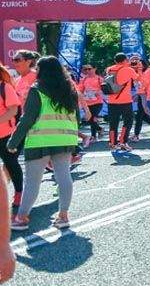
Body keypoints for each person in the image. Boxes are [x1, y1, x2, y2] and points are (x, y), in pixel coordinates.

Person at [8, 56, 81, 231]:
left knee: (33, 181)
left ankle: (22, 217)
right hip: (65, 139)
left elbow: (28, 118)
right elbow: (77, 117)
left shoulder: (37, 90)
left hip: (40, 140)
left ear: (42, 71)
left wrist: (13, 141)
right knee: (64, 176)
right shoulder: (70, 89)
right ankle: (63, 216)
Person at [103, 53, 140, 152]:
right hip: (125, 100)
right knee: (128, 121)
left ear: (115, 60)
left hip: (111, 101)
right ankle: (123, 142)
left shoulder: (109, 69)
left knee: (113, 123)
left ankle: (112, 143)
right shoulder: (128, 69)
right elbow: (138, 78)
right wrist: (139, 68)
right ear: (125, 60)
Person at [0, 66, 24, 210]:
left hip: (9, 134)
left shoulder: (5, 87)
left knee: (10, 164)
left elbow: (13, 110)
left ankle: (19, 193)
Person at [77, 65, 104, 142]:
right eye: (85, 69)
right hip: (87, 103)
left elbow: (104, 89)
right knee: (89, 119)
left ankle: (93, 136)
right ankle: (99, 129)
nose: (87, 71)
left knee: (93, 118)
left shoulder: (99, 79)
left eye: (89, 69)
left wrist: (98, 92)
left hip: (97, 102)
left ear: (95, 69)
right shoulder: (84, 79)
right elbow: (80, 90)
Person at [130, 56, 150, 143]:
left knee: (140, 115)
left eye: (140, 64)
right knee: (141, 115)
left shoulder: (147, 73)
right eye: (137, 64)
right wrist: (137, 94)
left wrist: (141, 94)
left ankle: (136, 135)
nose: (139, 66)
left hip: (147, 95)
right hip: (140, 95)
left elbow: (147, 85)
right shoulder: (134, 74)